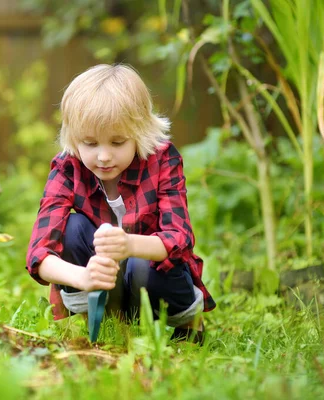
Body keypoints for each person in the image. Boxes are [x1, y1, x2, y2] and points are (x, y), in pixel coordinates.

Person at [25, 64, 215, 343]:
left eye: (117, 142)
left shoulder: (162, 160)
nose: (103, 156)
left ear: (139, 132)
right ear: (74, 138)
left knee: (140, 261)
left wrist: (129, 245)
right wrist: (83, 277)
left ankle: (188, 326)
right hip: (103, 275)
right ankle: (105, 321)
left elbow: (180, 238)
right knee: (72, 227)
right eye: (90, 143)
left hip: (154, 278)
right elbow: (38, 254)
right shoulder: (68, 168)